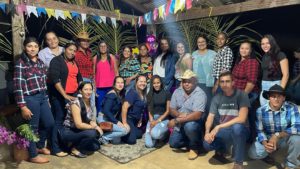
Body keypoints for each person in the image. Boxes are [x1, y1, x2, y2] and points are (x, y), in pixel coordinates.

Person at [13, 37, 67, 164]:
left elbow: (43, 84)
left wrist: (47, 99)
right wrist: (23, 106)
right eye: (29, 46)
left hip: (42, 97)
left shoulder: (40, 63)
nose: (32, 49)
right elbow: (18, 87)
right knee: (32, 128)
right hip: (30, 99)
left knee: (49, 123)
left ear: (38, 48)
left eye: (35, 46)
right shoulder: (21, 63)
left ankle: (40, 145)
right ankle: (33, 155)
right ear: (25, 47)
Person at [203, 71, 250, 169]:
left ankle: (238, 162)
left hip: (242, 130)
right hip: (225, 131)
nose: (224, 84)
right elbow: (210, 117)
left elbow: (242, 119)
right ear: (219, 83)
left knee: (237, 128)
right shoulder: (216, 98)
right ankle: (225, 148)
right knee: (206, 143)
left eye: (227, 81)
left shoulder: (242, 95)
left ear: (233, 82)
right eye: (222, 82)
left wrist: (219, 126)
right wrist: (207, 132)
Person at [248, 84, 300, 169]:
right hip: (268, 138)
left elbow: (297, 127)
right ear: (269, 97)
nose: (276, 99)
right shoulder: (260, 110)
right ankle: (271, 154)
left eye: (279, 96)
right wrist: (265, 143)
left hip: (284, 137)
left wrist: (277, 136)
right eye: (273, 96)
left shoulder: (291, 107)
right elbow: (260, 131)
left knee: (297, 139)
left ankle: (291, 165)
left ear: (284, 98)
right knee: (253, 154)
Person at [168, 69, 207, 160]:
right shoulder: (177, 91)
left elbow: (197, 115)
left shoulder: (200, 94)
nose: (186, 84)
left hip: (194, 123)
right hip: (181, 123)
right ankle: (196, 141)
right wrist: (179, 114)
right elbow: (171, 109)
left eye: (189, 81)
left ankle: (194, 147)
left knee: (190, 126)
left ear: (195, 82)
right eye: (185, 81)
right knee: (173, 143)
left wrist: (177, 120)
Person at [60, 82, 102, 158]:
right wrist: (95, 127)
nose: (88, 92)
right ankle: (74, 148)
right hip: (69, 131)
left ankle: (74, 143)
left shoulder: (90, 102)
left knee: (96, 146)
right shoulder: (75, 103)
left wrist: (93, 123)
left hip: (79, 130)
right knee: (93, 133)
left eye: (90, 89)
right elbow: (78, 124)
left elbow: (86, 118)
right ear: (80, 91)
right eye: (86, 89)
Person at [48, 42, 83, 128]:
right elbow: (55, 80)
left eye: (74, 51)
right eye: (70, 49)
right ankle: (55, 141)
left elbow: (79, 77)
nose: (72, 52)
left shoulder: (74, 62)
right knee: (60, 117)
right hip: (60, 95)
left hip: (74, 94)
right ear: (64, 50)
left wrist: (81, 90)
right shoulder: (56, 60)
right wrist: (65, 95)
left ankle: (67, 139)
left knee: (72, 118)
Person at [232, 41, 259, 139]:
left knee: (248, 119)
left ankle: (252, 140)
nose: (244, 50)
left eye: (247, 48)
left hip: (248, 94)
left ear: (251, 50)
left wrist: (242, 96)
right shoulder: (239, 61)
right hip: (238, 93)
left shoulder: (251, 62)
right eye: (242, 48)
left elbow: (251, 82)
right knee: (244, 118)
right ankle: (244, 139)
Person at [97, 76, 128, 145]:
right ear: (114, 84)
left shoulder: (120, 93)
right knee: (124, 131)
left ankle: (105, 136)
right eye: (118, 83)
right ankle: (103, 138)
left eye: (122, 82)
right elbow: (106, 110)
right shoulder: (112, 94)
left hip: (110, 118)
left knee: (116, 141)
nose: (120, 84)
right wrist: (117, 122)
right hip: (103, 118)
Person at [259, 34, 289, 106]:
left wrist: (279, 91)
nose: (265, 46)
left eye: (267, 43)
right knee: (264, 113)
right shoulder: (264, 56)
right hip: (264, 87)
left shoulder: (280, 55)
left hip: (276, 86)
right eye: (262, 44)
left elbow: (286, 75)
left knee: (276, 113)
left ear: (272, 43)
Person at [192, 35, 216, 117]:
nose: (201, 43)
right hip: (196, 84)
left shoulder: (213, 54)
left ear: (206, 42)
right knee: (199, 106)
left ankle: (209, 126)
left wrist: (216, 84)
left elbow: (217, 70)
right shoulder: (194, 54)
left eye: (203, 41)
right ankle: (200, 126)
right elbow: (191, 69)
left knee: (209, 105)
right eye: (199, 42)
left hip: (208, 84)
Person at [145, 75, 171, 148]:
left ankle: (165, 135)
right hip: (153, 118)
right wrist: (151, 122)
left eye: (158, 83)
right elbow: (149, 110)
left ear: (161, 83)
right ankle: (157, 136)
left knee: (154, 134)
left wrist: (157, 122)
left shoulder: (167, 93)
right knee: (149, 144)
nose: (156, 85)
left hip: (163, 119)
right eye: (154, 83)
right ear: (152, 84)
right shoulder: (149, 94)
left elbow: (168, 111)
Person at [74, 31, 96, 117]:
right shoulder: (76, 53)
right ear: (79, 42)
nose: (85, 42)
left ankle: (92, 121)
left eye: (87, 41)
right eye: (83, 40)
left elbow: (92, 68)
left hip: (90, 80)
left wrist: (94, 82)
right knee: (84, 102)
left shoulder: (89, 52)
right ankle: (85, 121)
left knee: (92, 102)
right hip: (82, 79)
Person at [121, 75, 147, 144]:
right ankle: (120, 135)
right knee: (132, 141)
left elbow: (142, 108)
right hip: (128, 119)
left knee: (139, 135)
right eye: (141, 81)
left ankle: (130, 132)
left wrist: (140, 119)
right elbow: (124, 107)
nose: (143, 83)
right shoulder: (133, 93)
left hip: (135, 121)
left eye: (144, 82)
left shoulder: (144, 93)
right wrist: (125, 123)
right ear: (136, 82)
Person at [94, 41, 118, 114]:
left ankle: (110, 123)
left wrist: (116, 87)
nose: (103, 48)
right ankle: (100, 123)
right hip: (99, 88)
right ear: (99, 48)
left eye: (104, 46)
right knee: (99, 107)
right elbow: (93, 74)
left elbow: (116, 72)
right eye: (101, 46)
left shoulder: (112, 57)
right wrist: (94, 88)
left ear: (107, 48)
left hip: (111, 87)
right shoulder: (95, 58)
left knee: (110, 107)